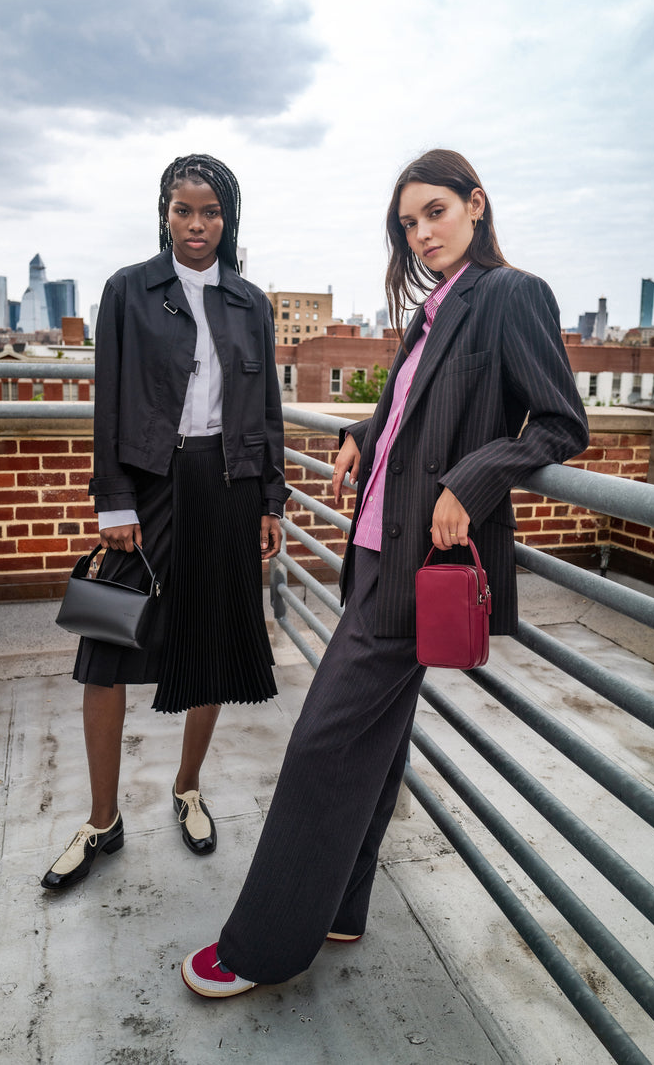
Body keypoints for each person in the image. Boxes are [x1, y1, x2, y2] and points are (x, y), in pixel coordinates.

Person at [181, 148, 590, 995]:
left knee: (324, 744)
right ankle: (341, 906)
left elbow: (559, 424)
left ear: (476, 204)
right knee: (372, 741)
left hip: (422, 565)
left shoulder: (512, 294)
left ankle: (263, 946)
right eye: (409, 223)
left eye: (436, 212)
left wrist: (472, 482)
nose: (423, 233)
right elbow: (408, 403)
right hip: (372, 548)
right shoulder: (432, 310)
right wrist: (364, 433)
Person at [42, 154, 289, 891]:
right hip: (148, 484)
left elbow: (268, 412)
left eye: (210, 212)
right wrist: (113, 501)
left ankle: (187, 788)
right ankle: (102, 820)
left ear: (228, 218)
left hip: (230, 485)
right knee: (105, 646)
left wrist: (271, 499)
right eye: (184, 210)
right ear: (164, 213)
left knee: (211, 639)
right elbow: (109, 400)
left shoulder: (250, 302)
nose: (197, 225)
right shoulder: (128, 290)